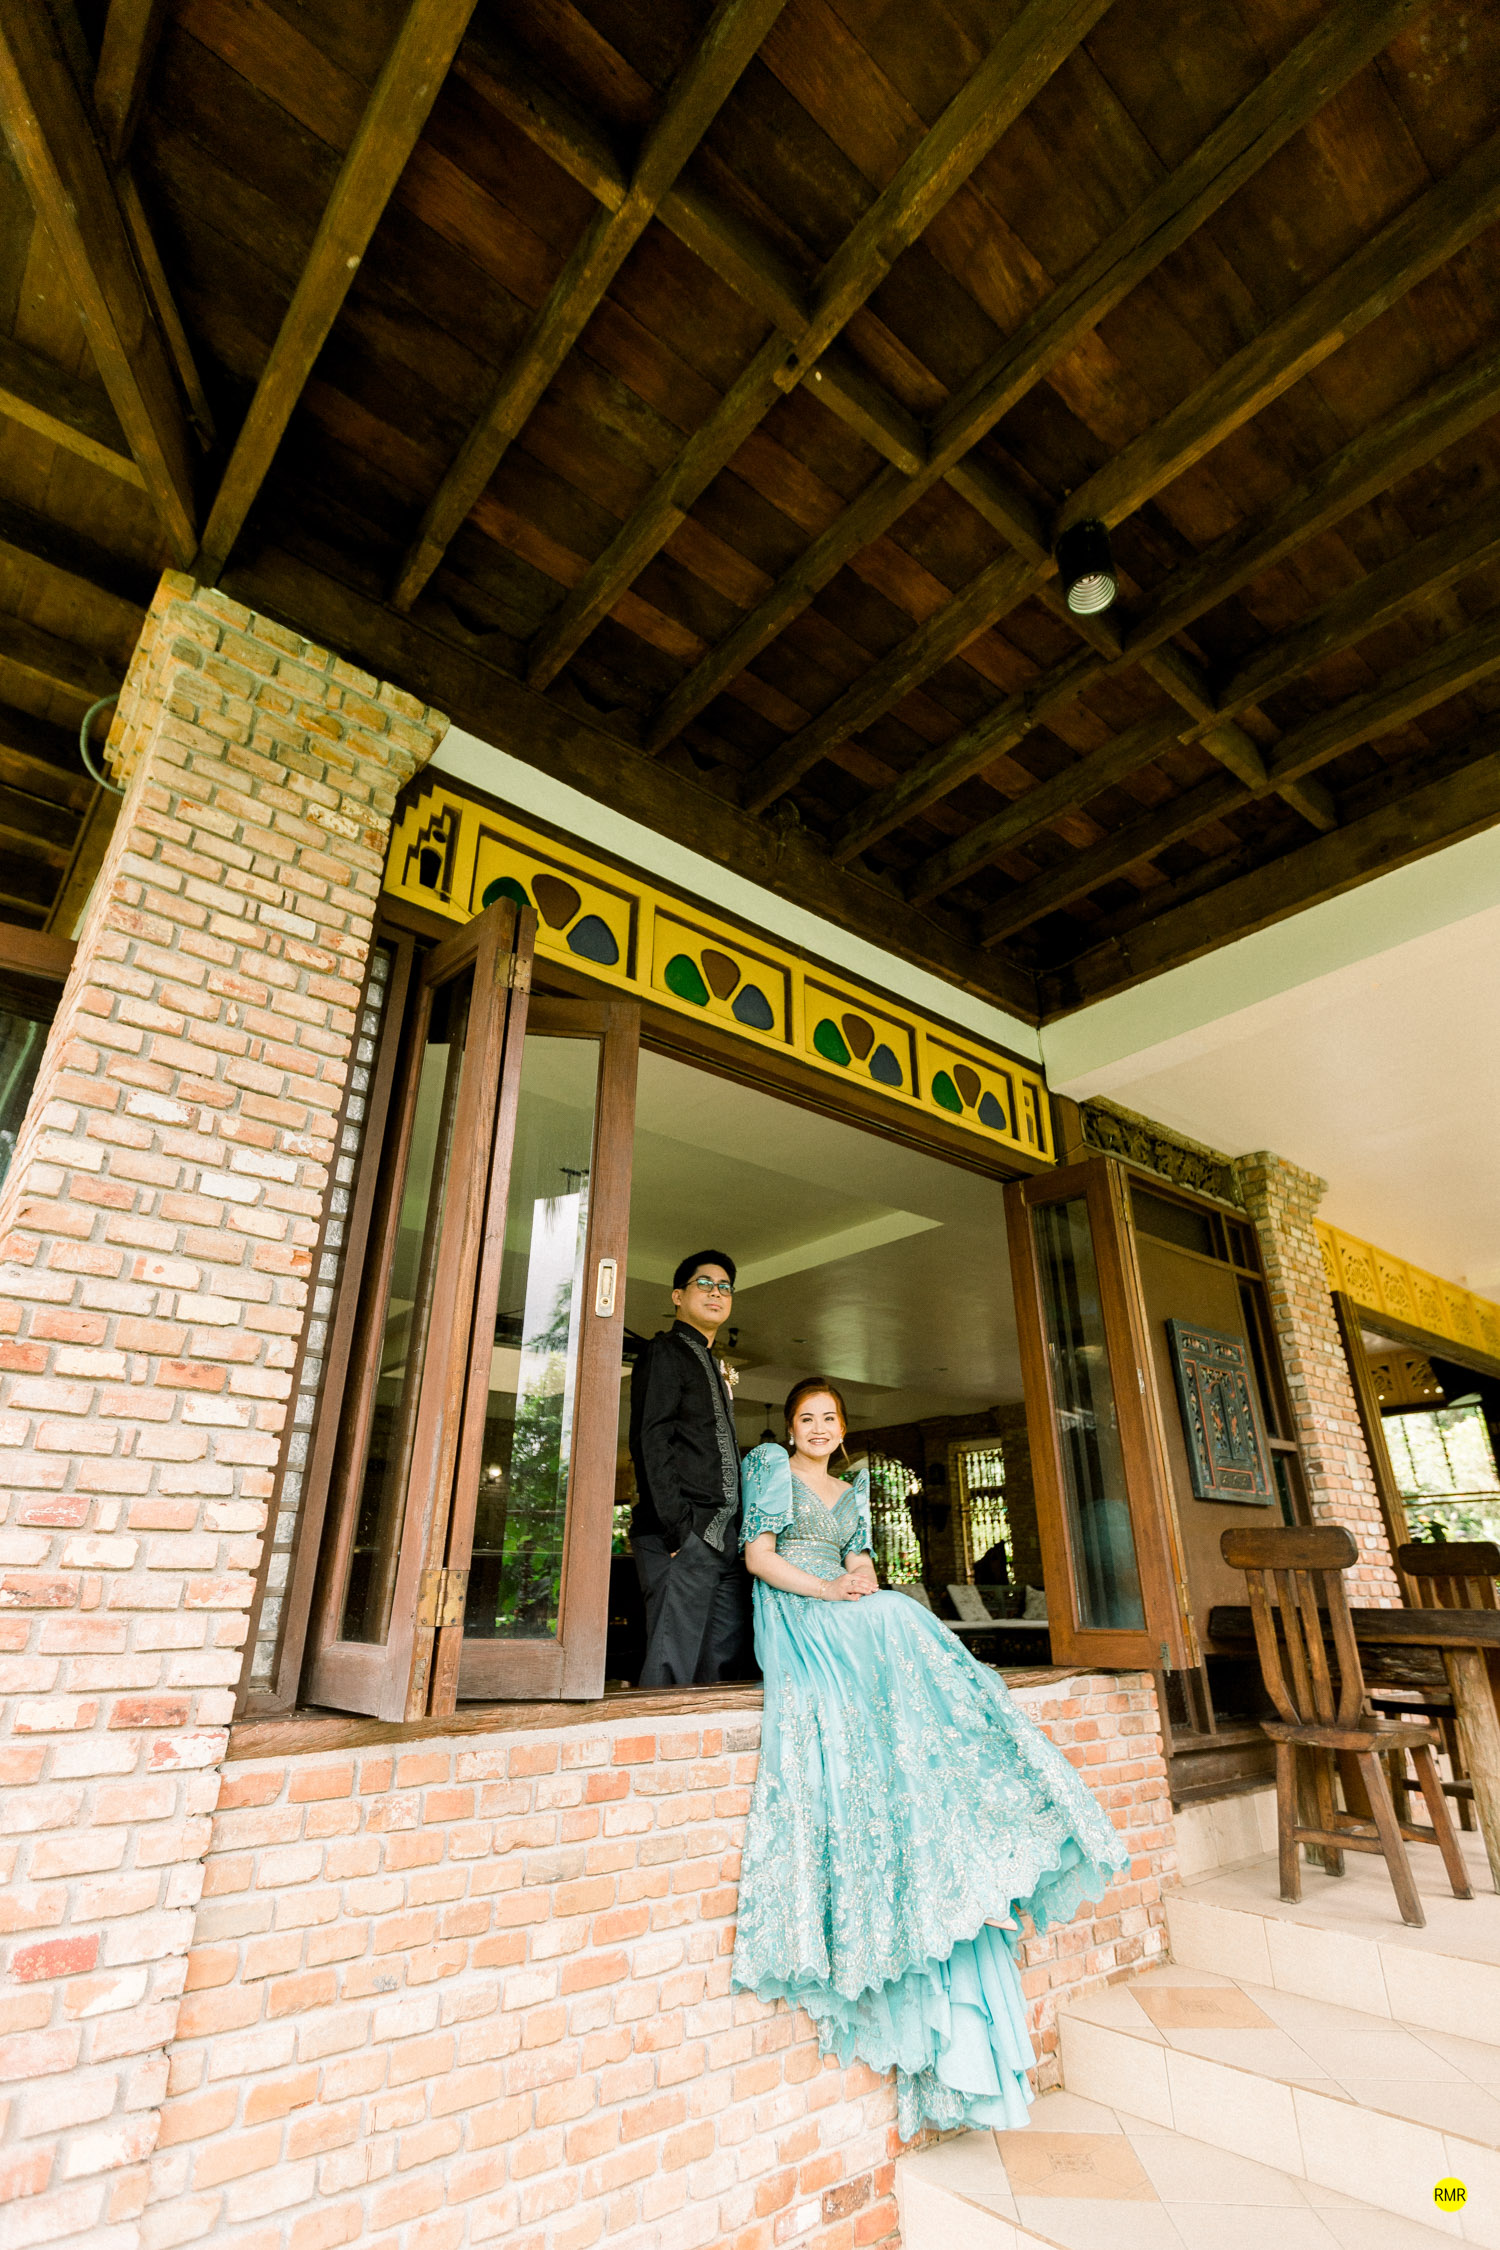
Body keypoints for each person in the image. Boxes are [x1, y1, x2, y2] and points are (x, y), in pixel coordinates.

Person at [731, 1378, 1128, 2138]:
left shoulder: (853, 1488)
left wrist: (859, 1578)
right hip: (795, 1612)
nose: (818, 1428)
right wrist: (830, 1591)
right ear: (789, 1427)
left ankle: (983, 1806)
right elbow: (758, 1558)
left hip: (843, 1606)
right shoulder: (772, 1470)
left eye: (829, 1418)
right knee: (899, 1619)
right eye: (806, 1418)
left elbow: (863, 1564)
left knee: (895, 1609)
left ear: (843, 1428)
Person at [628, 1251, 754, 1687]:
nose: (717, 1292)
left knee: (719, 1671)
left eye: (725, 1287)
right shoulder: (665, 1351)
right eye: (705, 1283)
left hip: (723, 1541)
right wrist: (677, 1530)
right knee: (672, 1668)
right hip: (683, 1536)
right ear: (678, 1296)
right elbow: (651, 1440)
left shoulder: (712, 1363)